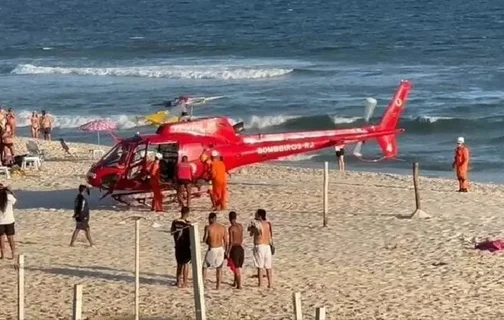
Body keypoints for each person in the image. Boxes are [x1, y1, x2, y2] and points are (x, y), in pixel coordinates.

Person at [247, 209, 274, 288]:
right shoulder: (268, 224)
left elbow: (251, 233)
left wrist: (252, 227)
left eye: (256, 214)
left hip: (260, 246)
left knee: (260, 266)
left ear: (259, 216)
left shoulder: (257, 224)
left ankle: (260, 284)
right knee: (268, 266)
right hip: (267, 246)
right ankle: (270, 283)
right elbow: (270, 235)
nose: (255, 216)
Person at [202, 212, 227, 290]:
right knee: (219, 268)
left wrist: (208, 242)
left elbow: (204, 239)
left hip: (212, 248)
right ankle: (218, 286)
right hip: (220, 248)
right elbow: (226, 241)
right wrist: (226, 251)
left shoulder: (208, 227)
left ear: (211, 219)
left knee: (205, 266)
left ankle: (202, 283)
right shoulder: (222, 227)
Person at [170, 206, 191, 288]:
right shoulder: (188, 224)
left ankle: (178, 281)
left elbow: (171, 232)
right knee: (186, 264)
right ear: (188, 213)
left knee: (179, 264)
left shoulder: (174, 222)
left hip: (178, 245)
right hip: (186, 246)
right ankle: (184, 282)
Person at [227, 211, 244, 289]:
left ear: (230, 218)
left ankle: (239, 285)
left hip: (235, 248)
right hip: (241, 247)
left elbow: (231, 241)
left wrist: (228, 251)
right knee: (236, 266)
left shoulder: (231, 228)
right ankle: (235, 282)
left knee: (236, 268)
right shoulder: (240, 226)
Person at [0, 185, 17, 259]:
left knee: (1, 238)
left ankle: (3, 254)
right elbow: (15, 201)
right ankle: (13, 253)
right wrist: (10, 191)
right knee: (10, 237)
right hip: (9, 220)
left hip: (0, 221)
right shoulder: (9, 196)